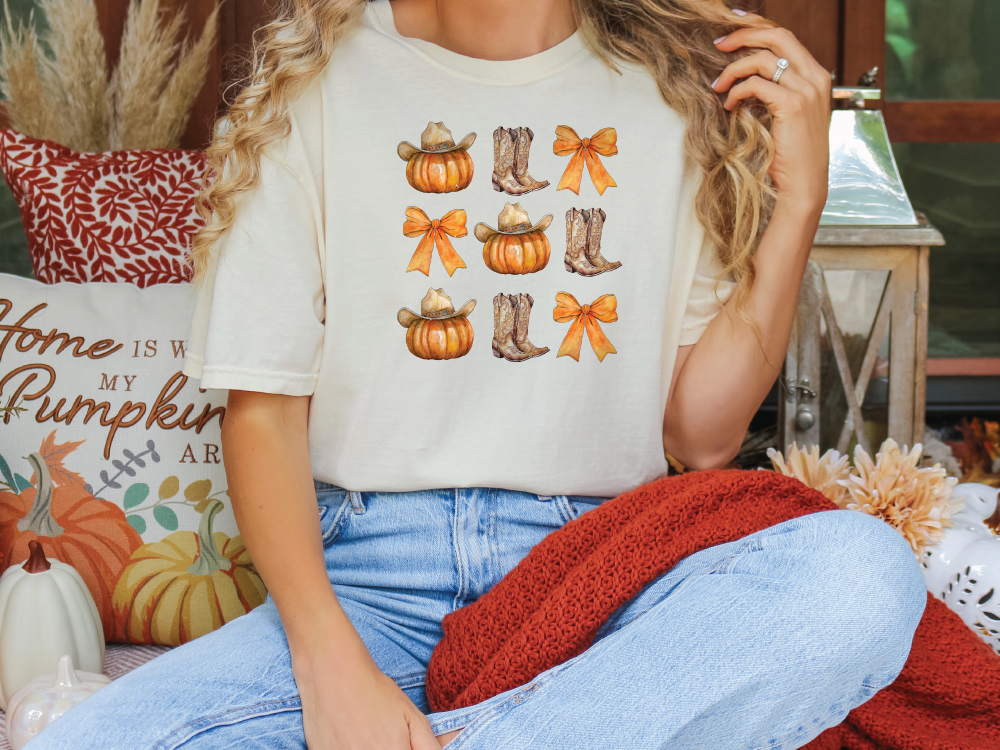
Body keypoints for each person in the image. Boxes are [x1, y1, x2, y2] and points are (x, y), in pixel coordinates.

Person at [30, 0, 926, 748]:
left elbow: (699, 433)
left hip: (600, 575)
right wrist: (331, 662)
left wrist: (799, 197)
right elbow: (263, 414)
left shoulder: (672, 100)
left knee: (864, 576)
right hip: (366, 584)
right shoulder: (313, 87)